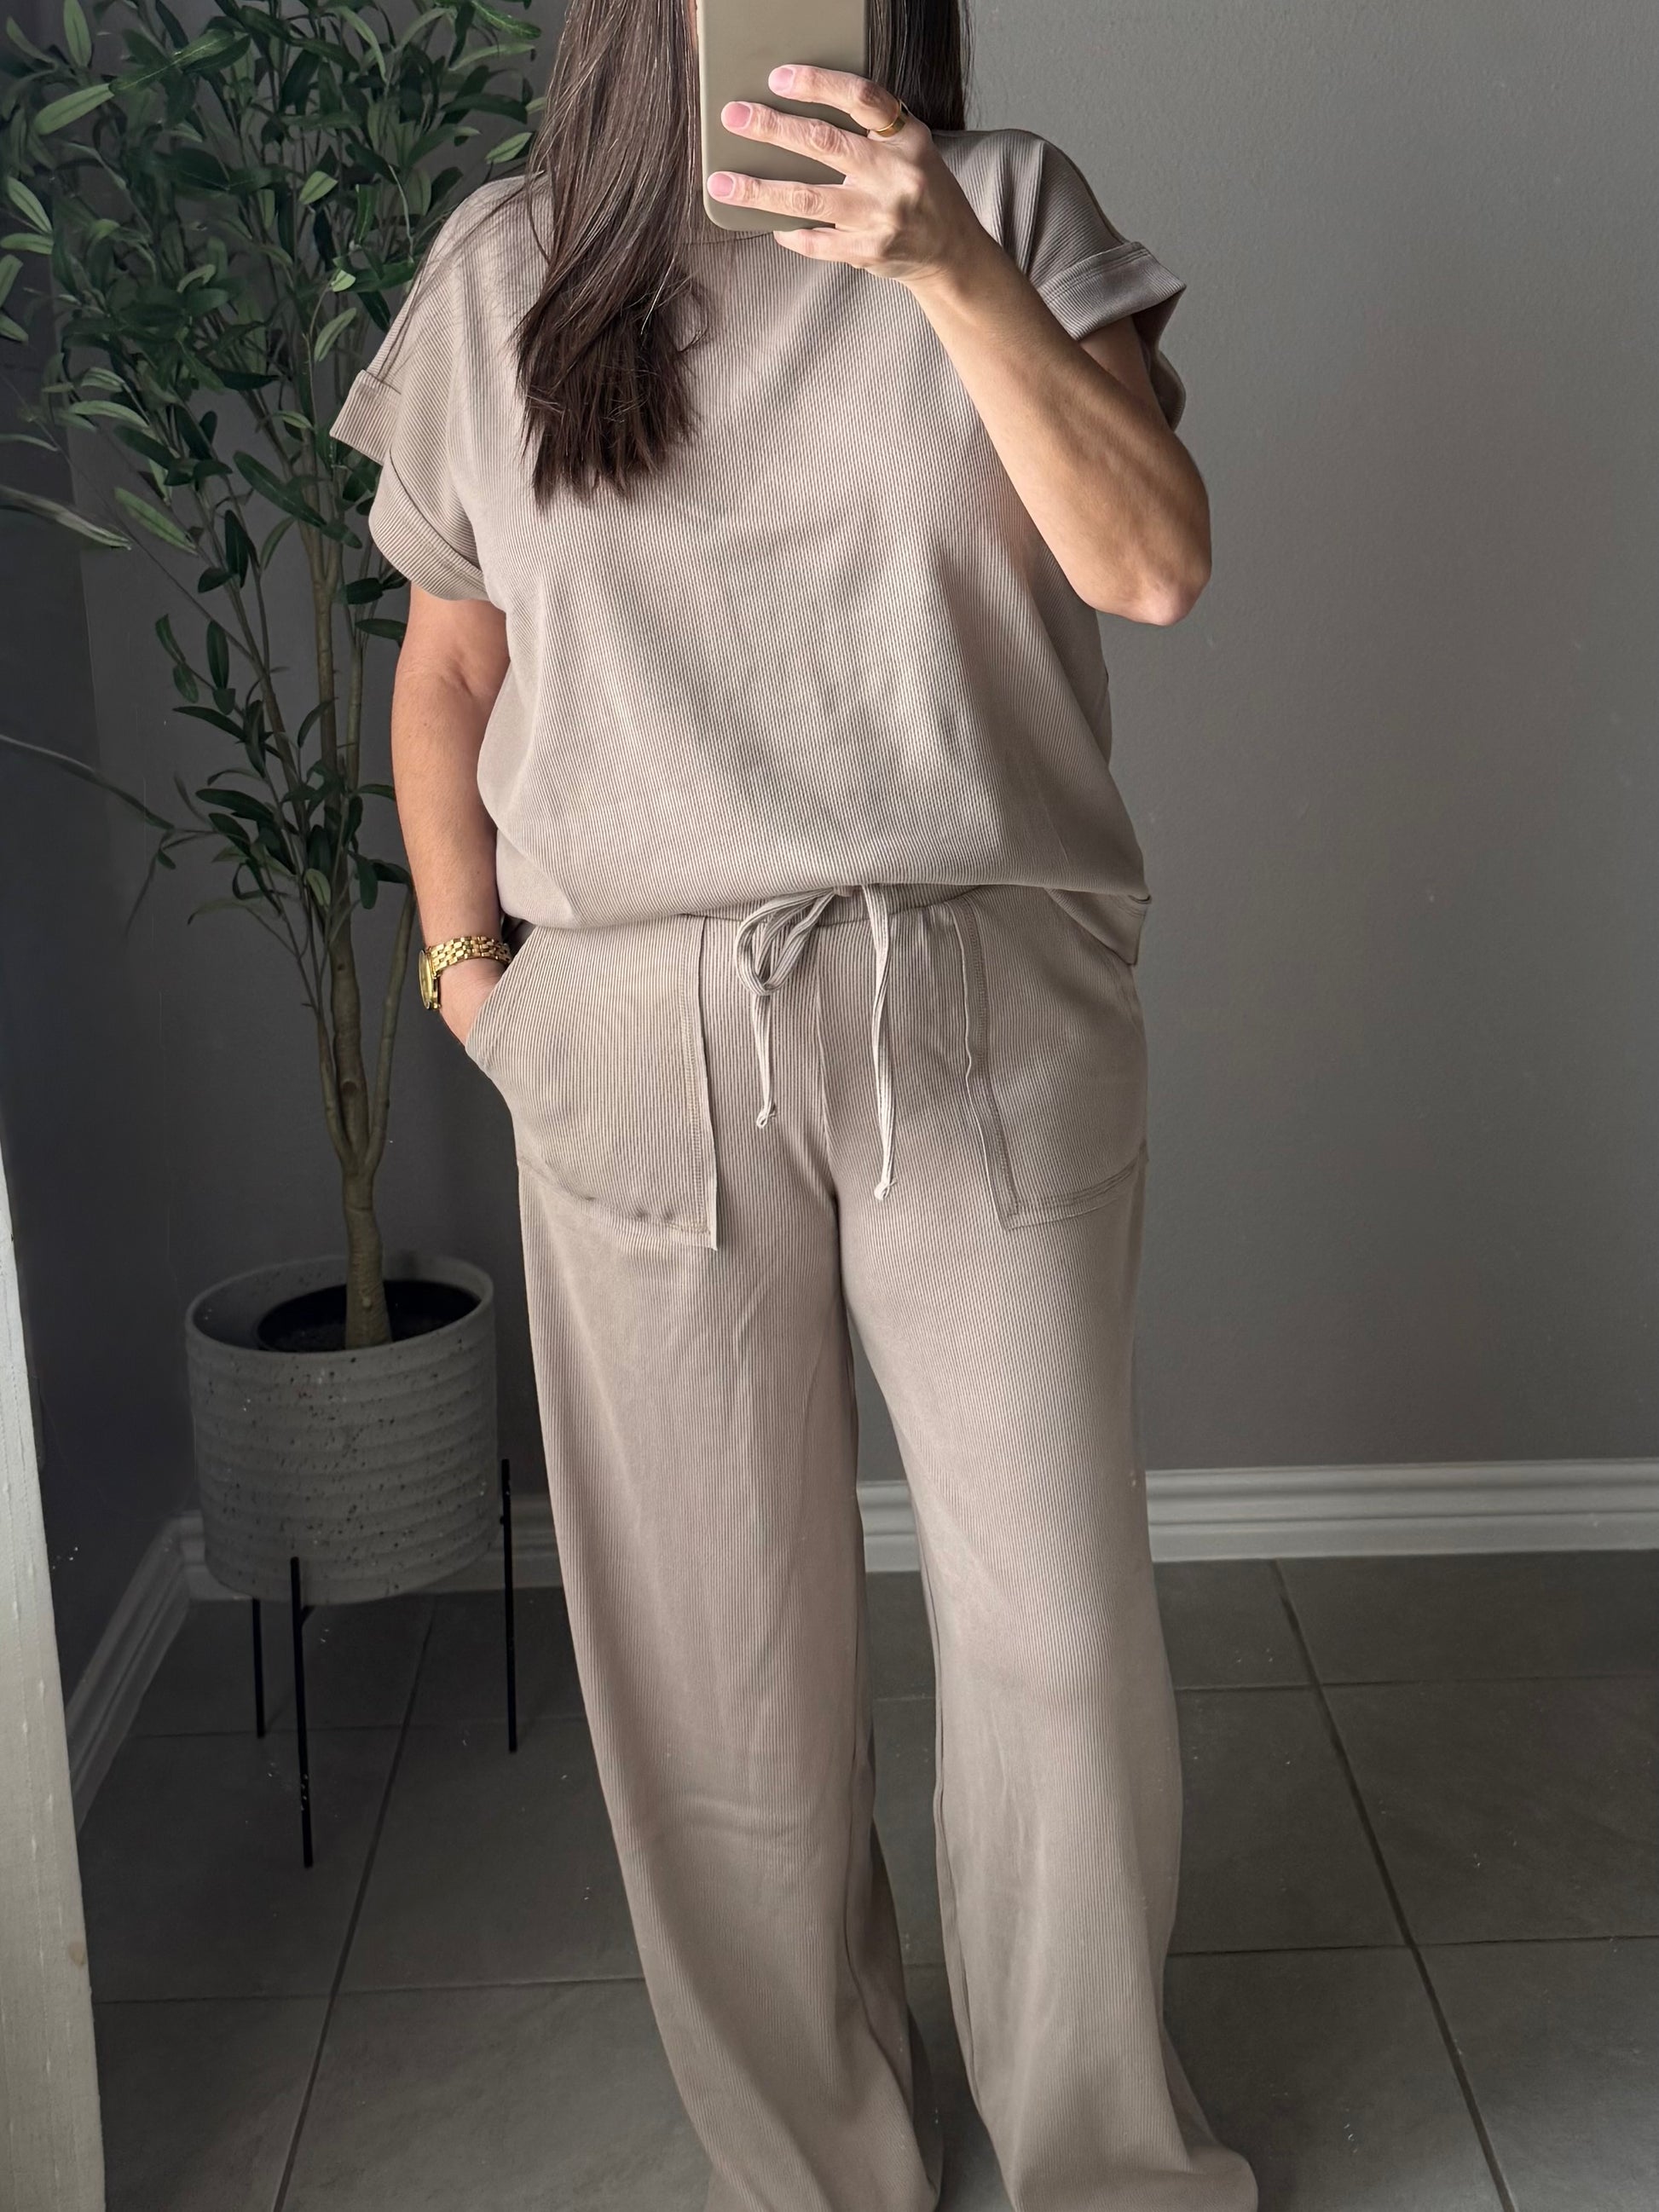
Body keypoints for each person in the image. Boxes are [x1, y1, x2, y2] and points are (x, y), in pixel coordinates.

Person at [332, 2, 1257, 2205]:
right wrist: (470, 975)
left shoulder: (1007, 205)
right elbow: (449, 662)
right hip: (638, 1027)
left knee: (1054, 1640)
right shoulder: (506, 268)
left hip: (980, 1001)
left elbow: (1149, 564)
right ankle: (819, 2170)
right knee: (719, 1670)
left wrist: (946, 267)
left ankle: (1104, 2162)